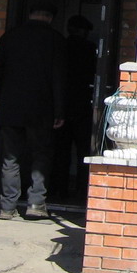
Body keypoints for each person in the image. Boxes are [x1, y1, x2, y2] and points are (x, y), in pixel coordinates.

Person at [0, 3, 66, 220]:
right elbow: (59, 77)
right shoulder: (56, 40)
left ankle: (7, 207)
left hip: (11, 108)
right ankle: (36, 203)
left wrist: (1, 95)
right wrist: (59, 110)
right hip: (42, 109)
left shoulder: (10, 37)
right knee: (41, 155)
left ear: (30, 14)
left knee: (10, 158)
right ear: (50, 17)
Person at [54, 13, 98, 201]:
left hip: (62, 105)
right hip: (83, 106)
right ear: (84, 32)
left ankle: (59, 190)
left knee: (61, 152)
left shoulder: (60, 47)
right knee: (83, 151)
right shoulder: (90, 49)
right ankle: (82, 190)